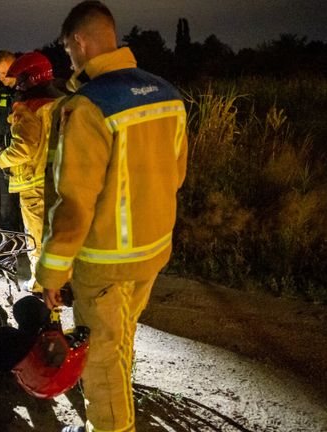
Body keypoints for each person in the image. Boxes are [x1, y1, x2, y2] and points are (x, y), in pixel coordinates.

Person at [35, 2, 188, 431]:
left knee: (100, 364)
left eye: (68, 51)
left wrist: (51, 272)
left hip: (104, 263)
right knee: (121, 341)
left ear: (80, 42)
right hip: (153, 250)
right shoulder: (168, 94)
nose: (70, 59)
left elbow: (74, 203)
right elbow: (175, 176)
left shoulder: (86, 106)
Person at [0, 51, 63, 294]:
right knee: (58, 234)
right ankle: (62, 281)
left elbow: (23, 148)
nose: (18, 86)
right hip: (57, 181)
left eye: (20, 81)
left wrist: (1, 159)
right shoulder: (61, 103)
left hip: (33, 183)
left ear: (30, 79)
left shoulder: (28, 109)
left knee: (35, 237)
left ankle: (39, 284)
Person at [0, 50, 21, 231]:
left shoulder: (27, 91)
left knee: (24, 202)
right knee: (6, 203)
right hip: (5, 153)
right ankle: (7, 243)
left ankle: (27, 243)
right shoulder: (1, 93)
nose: (2, 78)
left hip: (22, 155)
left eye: (5, 72)